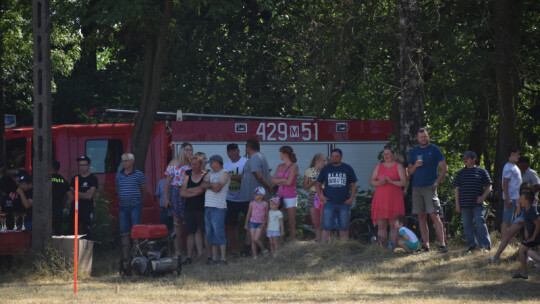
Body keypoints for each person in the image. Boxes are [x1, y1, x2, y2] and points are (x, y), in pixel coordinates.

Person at [407, 128, 448, 253]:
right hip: (416, 187)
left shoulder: (435, 149)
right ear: (417, 138)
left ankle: (442, 245)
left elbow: (444, 168)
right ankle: (426, 246)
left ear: (428, 137)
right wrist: (415, 165)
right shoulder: (414, 151)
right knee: (421, 216)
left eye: (425, 136)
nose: (423, 139)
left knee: (434, 215)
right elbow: (409, 172)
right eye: (421, 137)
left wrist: (436, 183)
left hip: (430, 186)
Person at [316, 148, 358, 243]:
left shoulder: (347, 168)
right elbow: (318, 184)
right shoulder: (326, 169)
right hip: (328, 203)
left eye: (337, 157)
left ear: (341, 157)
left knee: (343, 228)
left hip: (344, 203)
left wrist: (351, 198)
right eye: (333, 156)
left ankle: (343, 250)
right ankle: (324, 249)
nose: (335, 158)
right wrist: (321, 196)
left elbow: (353, 185)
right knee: (326, 228)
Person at [453, 151, 492, 253]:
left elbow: (489, 185)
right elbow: (456, 189)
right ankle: (472, 246)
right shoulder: (461, 173)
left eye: (467, 158)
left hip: (477, 204)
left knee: (480, 223)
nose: (464, 160)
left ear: (474, 159)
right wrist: (457, 204)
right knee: (467, 225)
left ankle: (485, 246)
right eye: (464, 158)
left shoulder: (481, 171)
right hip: (464, 204)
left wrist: (483, 197)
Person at [238, 138, 272, 255]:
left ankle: (249, 248)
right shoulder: (260, 156)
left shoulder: (255, 157)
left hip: (256, 198)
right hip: (255, 197)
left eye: (246, 148)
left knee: (254, 222)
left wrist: (268, 187)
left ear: (248, 147)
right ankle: (256, 247)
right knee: (257, 222)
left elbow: (259, 175)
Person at [369, 147, 407, 247]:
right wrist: (379, 182)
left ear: (393, 155)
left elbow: (404, 182)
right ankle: (382, 248)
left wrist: (392, 182)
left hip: (394, 199)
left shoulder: (398, 166)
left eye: (388, 154)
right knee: (381, 225)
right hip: (381, 199)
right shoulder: (379, 166)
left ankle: (392, 247)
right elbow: (371, 182)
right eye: (384, 154)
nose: (386, 156)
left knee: (393, 225)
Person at [115, 153, 147, 265]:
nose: (124, 163)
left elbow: (144, 189)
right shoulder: (118, 175)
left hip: (135, 206)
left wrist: (140, 200)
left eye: (126, 161)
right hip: (123, 207)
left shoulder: (139, 174)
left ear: (132, 161)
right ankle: (125, 258)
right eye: (122, 161)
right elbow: (117, 188)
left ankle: (137, 256)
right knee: (124, 232)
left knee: (136, 232)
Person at [163, 142, 193, 257]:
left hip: (190, 194)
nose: (189, 152)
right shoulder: (174, 163)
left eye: (191, 150)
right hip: (176, 194)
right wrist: (166, 199)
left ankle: (191, 252)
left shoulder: (193, 164)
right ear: (181, 151)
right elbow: (167, 183)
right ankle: (178, 252)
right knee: (177, 224)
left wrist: (192, 162)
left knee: (190, 224)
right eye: (186, 150)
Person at [180, 155, 211, 264]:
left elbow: (202, 190)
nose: (194, 166)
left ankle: (209, 257)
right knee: (190, 233)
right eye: (192, 164)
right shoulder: (187, 174)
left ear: (201, 164)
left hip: (202, 208)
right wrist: (194, 191)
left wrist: (189, 190)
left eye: (196, 164)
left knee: (205, 232)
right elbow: (182, 192)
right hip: (189, 208)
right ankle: (189, 257)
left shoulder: (206, 174)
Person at [490, 183, 531, 262]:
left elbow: (532, 213)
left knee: (527, 235)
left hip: (529, 219)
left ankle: (528, 256)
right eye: (523, 190)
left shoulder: (533, 199)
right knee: (508, 234)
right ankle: (497, 255)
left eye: (527, 190)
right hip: (521, 218)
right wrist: (519, 203)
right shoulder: (520, 198)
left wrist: (525, 220)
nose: (525, 192)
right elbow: (518, 213)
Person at [202, 155, 230, 265]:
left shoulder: (225, 174)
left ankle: (223, 258)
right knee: (210, 233)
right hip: (208, 206)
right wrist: (211, 185)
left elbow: (218, 188)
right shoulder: (210, 173)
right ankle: (214, 258)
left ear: (217, 162)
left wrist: (209, 185)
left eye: (212, 163)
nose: (210, 165)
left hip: (219, 207)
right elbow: (203, 185)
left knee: (219, 232)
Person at [223, 143, 250, 256]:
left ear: (238, 151)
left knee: (250, 223)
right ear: (227, 153)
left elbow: (245, 177)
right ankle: (234, 250)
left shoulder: (245, 162)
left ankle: (248, 248)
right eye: (229, 151)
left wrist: (229, 176)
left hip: (245, 198)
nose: (232, 153)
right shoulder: (225, 165)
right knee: (230, 226)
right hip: (230, 200)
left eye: (234, 150)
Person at [271, 146, 299, 241]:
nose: (280, 155)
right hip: (280, 196)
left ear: (285, 155)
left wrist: (278, 181)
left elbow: (289, 182)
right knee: (278, 221)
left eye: (281, 153)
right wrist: (282, 179)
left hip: (291, 197)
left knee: (291, 222)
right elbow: (272, 180)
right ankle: (279, 244)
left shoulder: (294, 166)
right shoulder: (280, 166)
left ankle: (292, 244)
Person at [512, 191, 540, 279]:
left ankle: (524, 274)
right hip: (534, 236)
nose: (520, 199)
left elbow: (538, 223)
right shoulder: (527, 210)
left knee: (522, 251)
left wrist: (533, 237)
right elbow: (531, 221)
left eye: (521, 198)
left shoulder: (530, 211)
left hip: (535, 236)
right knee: (526, 252)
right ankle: (524, 273)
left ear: (527, 201)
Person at [69, 155, 98, 237]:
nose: (81, 167)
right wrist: (84, 193)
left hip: (87, 208)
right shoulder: (75, 178)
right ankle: (73, 249)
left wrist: (76, 192)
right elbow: (71, 195)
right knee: (72, 230)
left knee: (87, 230)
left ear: (89, 166)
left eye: (84, 165)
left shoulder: (93, 178)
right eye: (80, 165)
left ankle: (87, 249)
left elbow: (89, 196)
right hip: (75, 208)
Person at [302, 153, 327, 242]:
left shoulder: (326, 171)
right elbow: (304, 187)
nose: (325, 162)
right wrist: (312, 183)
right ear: (318, 161)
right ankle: (319, 241)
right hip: (312, 195)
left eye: (326, 160)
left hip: (323, 195)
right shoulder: (309, 171)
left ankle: (325, 242)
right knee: (315, 222)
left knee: (323, 221)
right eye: (323, 160)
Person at [500, 145, 522, 242]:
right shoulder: (508, 167)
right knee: (506, 221)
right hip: (511, 198)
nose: (518, 156)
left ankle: (510, 240)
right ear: (512, 154)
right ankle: (504, 240)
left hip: (515, 198)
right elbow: (505, 184)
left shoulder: (514, 166)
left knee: (511, 221)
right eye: (517, 154)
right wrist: (508, 198)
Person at [244, 187, 269, 259]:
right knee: (253, 240)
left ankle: (264, 250)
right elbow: (248, 214)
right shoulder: (251, 203)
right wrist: (246, 224)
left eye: (256, 194)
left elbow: (266, 215)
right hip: (252, 222)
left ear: (262, 195)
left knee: (256, 239)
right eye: (254, 194)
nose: (254, 196)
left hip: (260, 223)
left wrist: (265, 224)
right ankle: (255, 256)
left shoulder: (265, 204)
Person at [52, 160, 73, 235]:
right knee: (57, 233)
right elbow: (70, 198)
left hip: (47, 211)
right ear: (58, 169)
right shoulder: (63, 180)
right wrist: (62, 206)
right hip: (58, 211)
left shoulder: (45, 179)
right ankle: (56, 247)